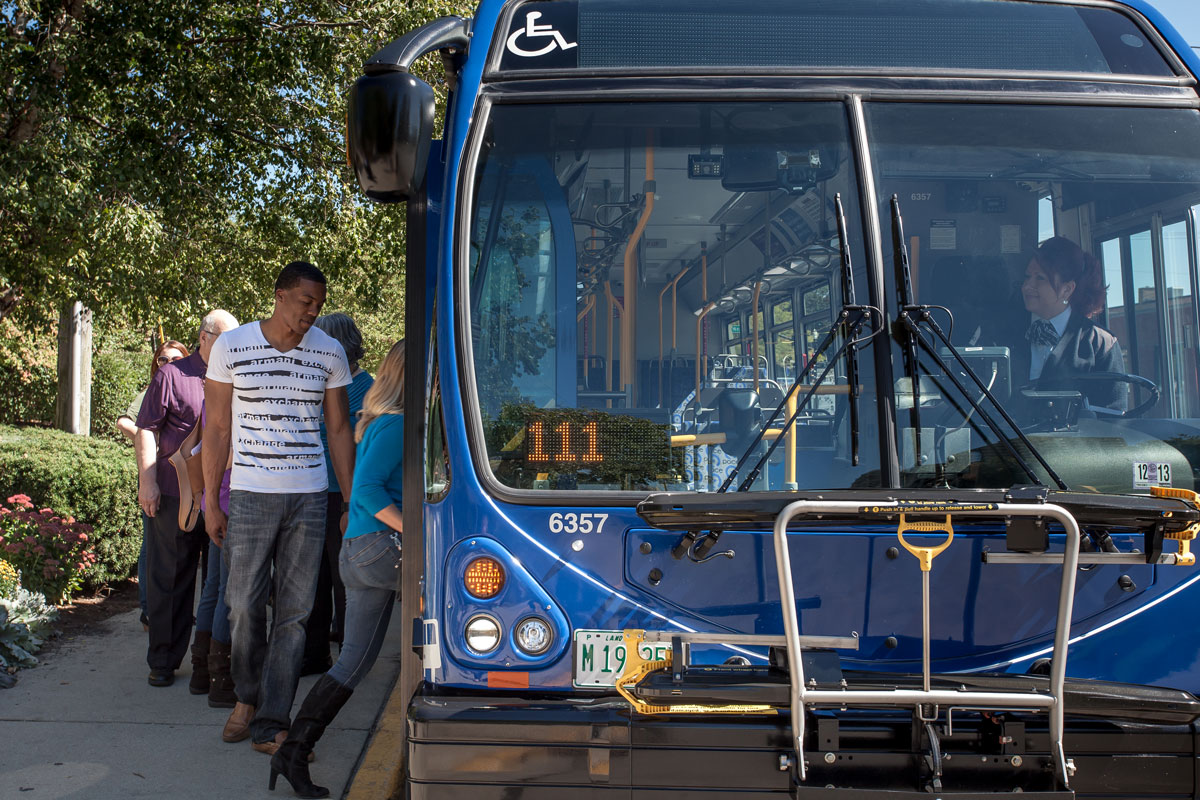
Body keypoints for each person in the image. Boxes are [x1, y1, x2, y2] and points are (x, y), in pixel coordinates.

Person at [202, 261, 356, 757]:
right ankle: (247, 697)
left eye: (319, 304)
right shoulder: (232, 347)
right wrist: (211, 499)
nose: (313, 311)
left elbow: (337, 431)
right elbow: (217, 429)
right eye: (305, 301)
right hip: (248, 494)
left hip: (309, 497)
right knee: (244, 606)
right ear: (280, 295)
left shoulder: (329, 353)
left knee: (294, 614)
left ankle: (272, 721)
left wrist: (351, 501)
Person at [269, 339, 405, 799]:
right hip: (382, 550)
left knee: (355, 662)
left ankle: (292, 753)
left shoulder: (382, 423)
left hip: (363, 551)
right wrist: (417, 532)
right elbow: (366, 491)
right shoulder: (399, 425)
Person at [135, 314, 237, 687]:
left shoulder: (234, 377)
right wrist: (147, 481)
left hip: (220, 497)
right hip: (176, 494)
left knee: (216, 584)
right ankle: (163, 661)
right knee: (170, 579)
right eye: (225, 339)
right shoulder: (173, 374)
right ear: (204, 337)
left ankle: (206, 666)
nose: (231, 346)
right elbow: (146, 428)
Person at [301, 313, 375, 676]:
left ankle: (349, 655)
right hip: (314, 491)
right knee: (313, 579)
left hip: (348, 496)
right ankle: (313, 654)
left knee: (345, 578)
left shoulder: (368, 391)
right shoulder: (321, 384)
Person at [118, 340, 189, 631]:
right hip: (156, 477)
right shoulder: (152, 390)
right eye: (162, 359)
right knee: (153, 546)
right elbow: (124, 421)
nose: (167, 363)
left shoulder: (195, 385)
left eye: (174, 358)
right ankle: (149, 611)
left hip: (187, 478)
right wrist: (148, 436)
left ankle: (177, 612)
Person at [1015, 236, 1126, 413]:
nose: (1027, 286)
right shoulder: (1002, 332)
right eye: (1027, 277)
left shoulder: (1100, 344)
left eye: (1040, 278)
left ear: (1067, 289)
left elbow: (1113, 417)